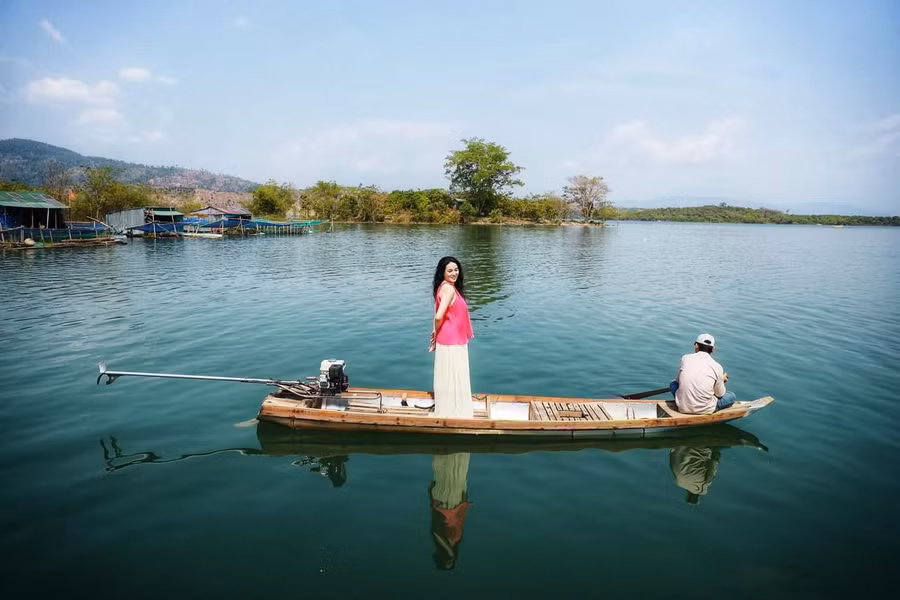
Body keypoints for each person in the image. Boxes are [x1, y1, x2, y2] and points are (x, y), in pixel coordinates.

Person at [428, 256, 474, 419]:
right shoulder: (448, 289)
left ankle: (449, 408)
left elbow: (436, 313)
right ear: (443, 272)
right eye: (450, 271)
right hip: (453, 341)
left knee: (448, 377)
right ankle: (456, 412)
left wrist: (435, 334)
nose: (454, 273)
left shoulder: (442, 286)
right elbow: (439, 316)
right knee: (455, 376)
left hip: (447, 339)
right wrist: (436, 332)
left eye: (456, 269)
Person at [669, 333, 736, 414]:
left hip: (682, 407)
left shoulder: (685, 358)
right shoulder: (717, 367)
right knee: (731, 396)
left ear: (696, 346)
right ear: (713, 349)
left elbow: (678, 381)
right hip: (705, 409)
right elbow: (719, 394)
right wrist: (721, 380)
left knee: (673, 384)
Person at [429, 452, 471, 569]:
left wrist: (451, 556)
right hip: (451, 502)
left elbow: (435, 520)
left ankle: (450, 450)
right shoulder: (454, 539)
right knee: (452, 470)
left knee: (447, 469)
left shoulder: (440, 538)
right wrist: (451, 556)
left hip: (445, 501)